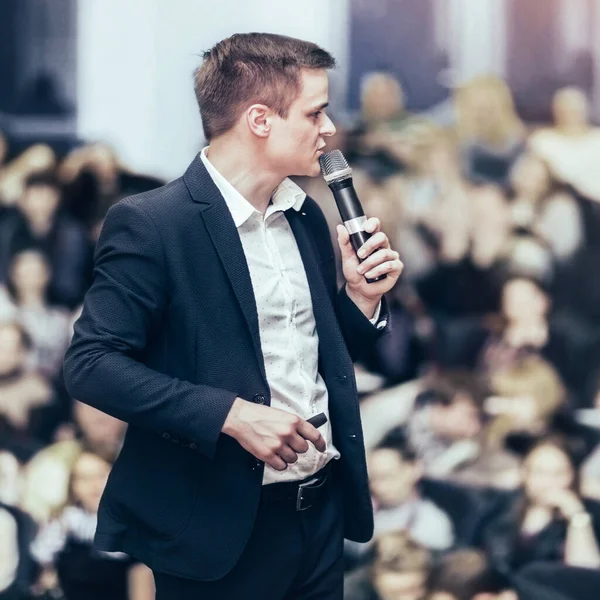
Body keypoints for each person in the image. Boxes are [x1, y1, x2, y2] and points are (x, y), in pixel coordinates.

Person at [63, 32, 402, 600]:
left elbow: (321, 361)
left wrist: (360, 301)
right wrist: (231, 416)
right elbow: (91, 365)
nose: (331, 130)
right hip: (214, 526)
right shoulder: (153, 223)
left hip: (317, 514)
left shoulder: (305, 219)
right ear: (260, 119)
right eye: (316, 112)